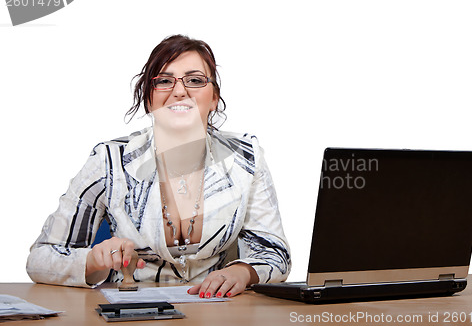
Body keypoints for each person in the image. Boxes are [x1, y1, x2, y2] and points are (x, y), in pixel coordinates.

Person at [26, 35, 291, 298]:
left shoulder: (246, 157)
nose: (179, 91)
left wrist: (242, 272)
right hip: (132, 312)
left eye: (195, 80)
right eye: (164, 81)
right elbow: (40, 258)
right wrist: (94, 260)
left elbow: (275, 252)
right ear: (149, 98)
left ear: (213, 98)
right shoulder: (110, 160)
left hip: (218, 312)